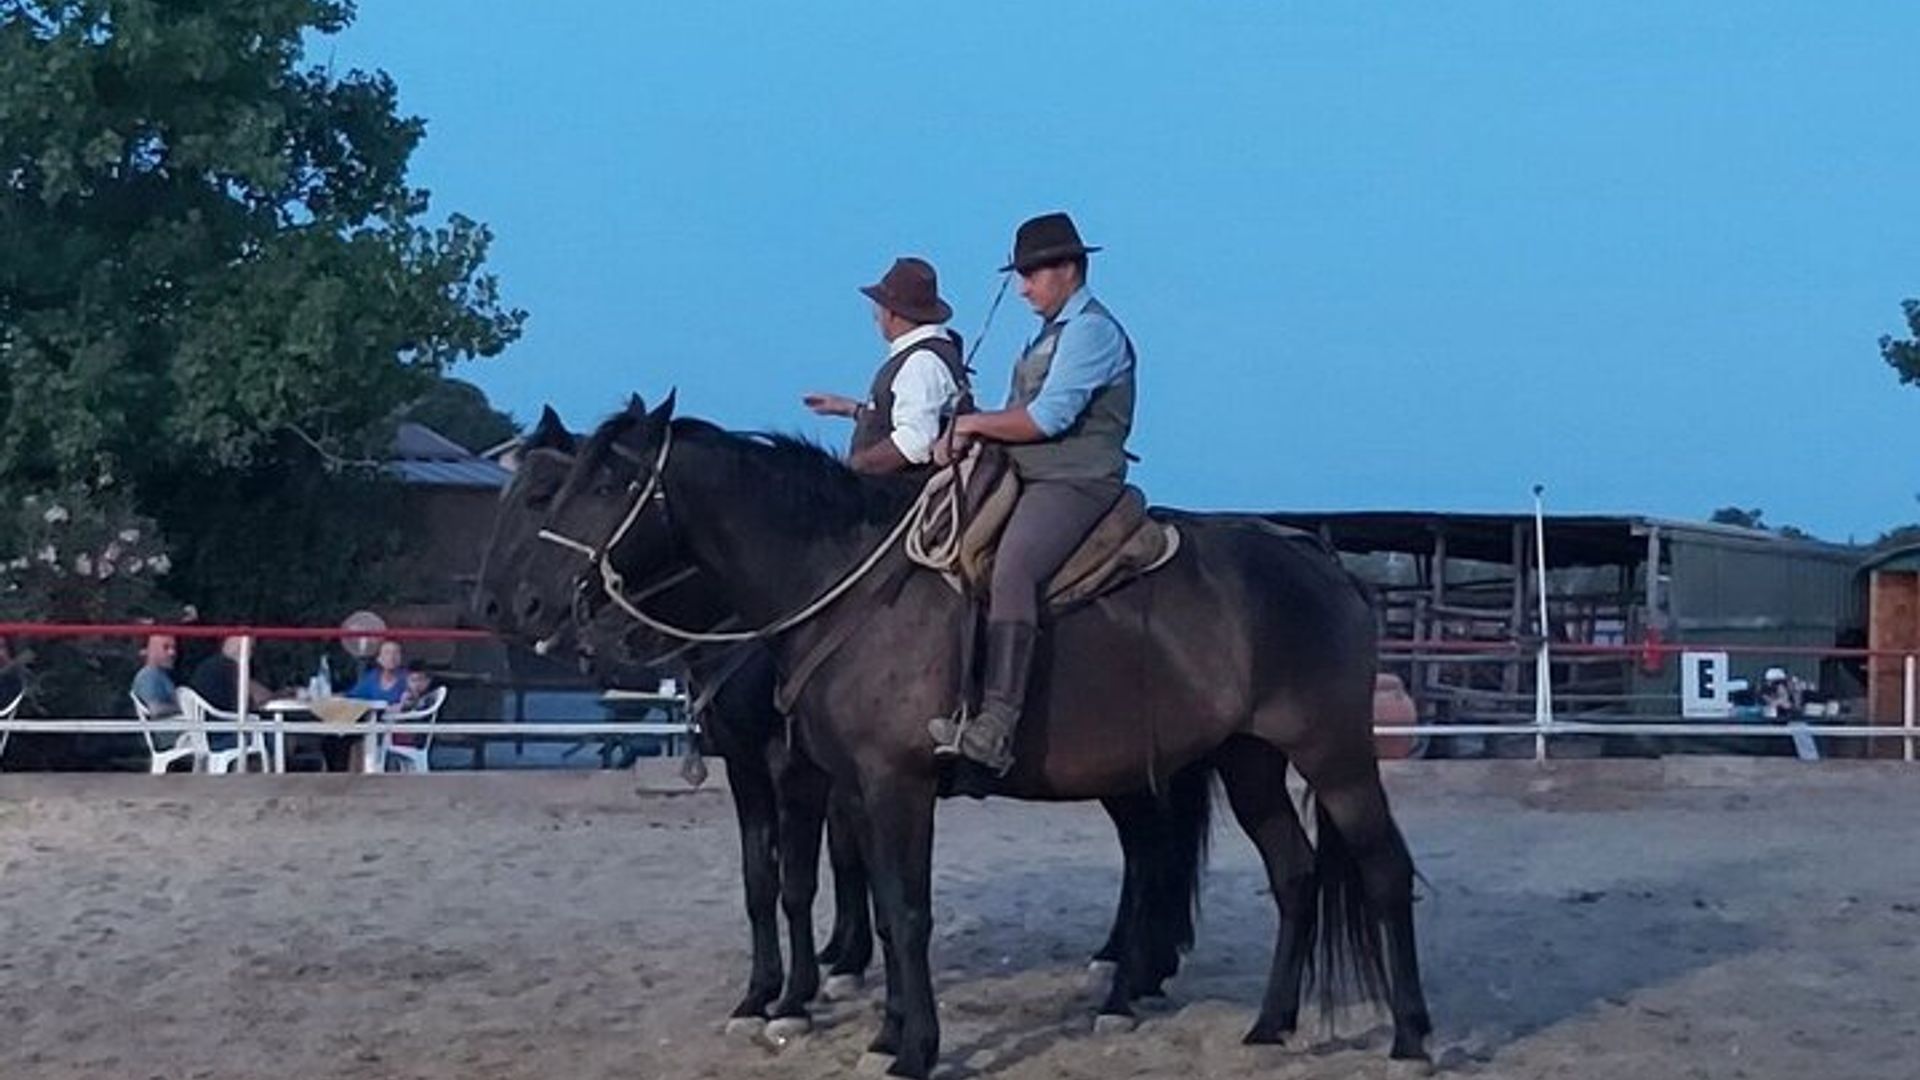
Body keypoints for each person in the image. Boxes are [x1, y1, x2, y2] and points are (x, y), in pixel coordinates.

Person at [928, 212, 1136, 776]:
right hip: (1027, 473)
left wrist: (972, 427)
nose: (1022, 288)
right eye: (1021, 276)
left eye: (1031, 275)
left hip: (1076, 480)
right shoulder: (1049, 335)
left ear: (1067, 269)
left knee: (1013, 567)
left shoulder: (1092, 331)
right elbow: (1011, 415)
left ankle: (998, 723)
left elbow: (1047, 417)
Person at [803, 256, 971, 476]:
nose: (876, 316)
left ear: (892, 313)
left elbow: (915, 442)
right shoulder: (923, 356)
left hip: (898, 494)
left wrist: (847, 470)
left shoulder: (920, 362)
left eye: (879, 309)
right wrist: (850, 409)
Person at [343, 640, 411, 705]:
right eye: (387, 653)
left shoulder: (408, 677)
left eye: (396, 652)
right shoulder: (371, 677)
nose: (392, 657)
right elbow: (352, 698)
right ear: (378, 658)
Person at [130, 633, 181, 717]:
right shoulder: (149, 676)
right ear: (151, 651)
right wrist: (183, 709)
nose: (172, 653)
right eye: (165, 648)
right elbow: (155, 710)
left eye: (174, 648)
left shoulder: (161, 675)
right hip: (165, 728)